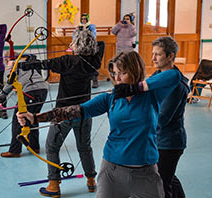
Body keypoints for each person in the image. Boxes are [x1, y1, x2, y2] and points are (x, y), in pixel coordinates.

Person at [17, 50, 182, 198]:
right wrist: (35, 118)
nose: (116, 79)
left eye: (122, 73)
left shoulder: (152, 95)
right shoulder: (111, 98)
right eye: (114, 73)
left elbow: (175, 76)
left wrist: (136, 88)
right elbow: (76, 111)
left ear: (134, 71)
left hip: (146, 174)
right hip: (112, 172)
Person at [18, 29, 105, 197]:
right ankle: (91, 181)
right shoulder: (94, 61)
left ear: (76, 45)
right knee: (84, 147)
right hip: (84, 111)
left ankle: (53, 185)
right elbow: (100, 44)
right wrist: (85, 44)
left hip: (62, 114)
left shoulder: (67, 61)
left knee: (52, 146)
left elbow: (46, 64)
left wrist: (26, 65)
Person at [152, 37, 189, 198]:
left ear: (170, 56)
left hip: (169, 143)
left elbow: (161, 119)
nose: (153, 58)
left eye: (158, 55)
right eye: (153, 53)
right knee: (168, 177)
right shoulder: (157, 75)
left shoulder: (176, 85)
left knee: (161, 184)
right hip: (159, 140)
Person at [0, 54, 48, 157]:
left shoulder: (16, 67)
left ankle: (15, 151)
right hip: (43, 91)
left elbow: (9, 84)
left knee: (18, 120)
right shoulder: (28, 65)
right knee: (33, 117)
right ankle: (34, 146)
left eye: (6, 61)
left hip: (30, 92)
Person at [73, 13, 99, 88]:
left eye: (85, 19)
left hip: (90, 48)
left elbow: (94, 36)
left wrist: (86, 31)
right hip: (81, 48)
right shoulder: (79, 27)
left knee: (92, 64)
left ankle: (95, 79)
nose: (83, 20)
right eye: (82, 19)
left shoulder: (91, 27)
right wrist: (78, 30)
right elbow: (74, 36)